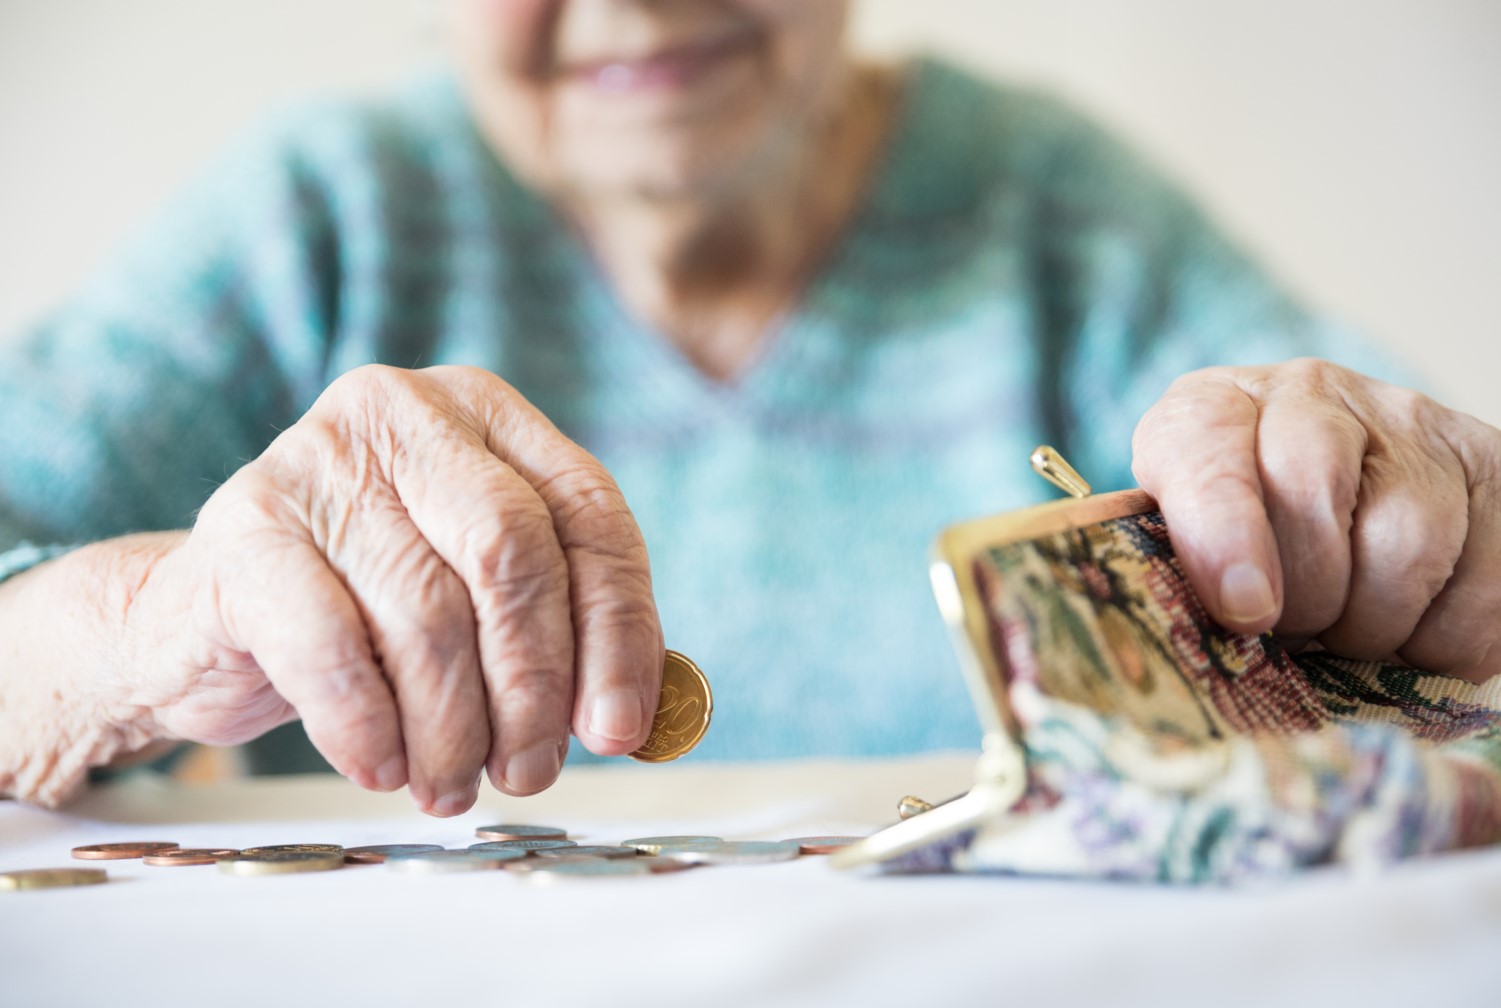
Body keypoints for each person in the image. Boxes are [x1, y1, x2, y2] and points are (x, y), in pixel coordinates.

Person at [1, 0, 1496, 817]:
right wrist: (142, 636)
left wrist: (1415, 516)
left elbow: (1394, 490)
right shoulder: (315, 215)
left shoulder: (1052, 207)